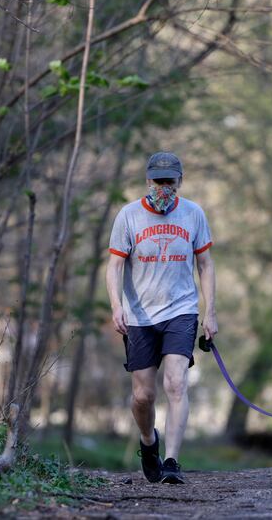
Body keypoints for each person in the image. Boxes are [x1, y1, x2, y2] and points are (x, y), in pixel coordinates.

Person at [106, 151, 217, 485]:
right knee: (143, 396)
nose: (164, 188)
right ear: (147, 181)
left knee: (176, 383)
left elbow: (206, 265)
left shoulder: (193, 214)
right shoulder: (128, 216)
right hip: (139, 315)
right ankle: (148, 441)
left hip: (181, 311)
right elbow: (114, 266)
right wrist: (116, 305)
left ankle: (171, 461)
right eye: (158, 181)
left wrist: (209, 312)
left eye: (170, 182)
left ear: (180, 182)